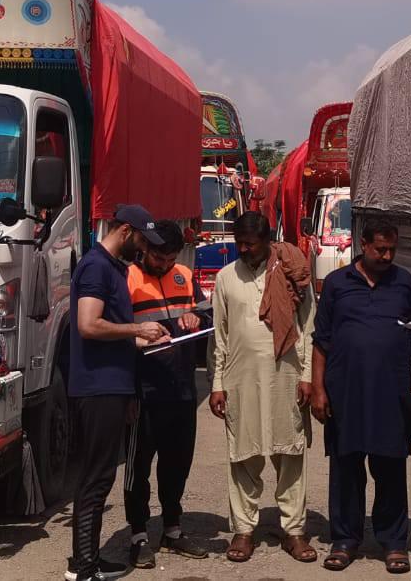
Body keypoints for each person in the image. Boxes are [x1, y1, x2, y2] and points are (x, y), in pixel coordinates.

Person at [66, 205, 171, 581]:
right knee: (95, 478)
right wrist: (137, 330)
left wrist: (146, 340)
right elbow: (88, 324)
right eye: (142, 240)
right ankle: (84, 568)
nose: (144, 249)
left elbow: (110, 333)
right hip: (98, 387)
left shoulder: (114, 268)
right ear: (126, 231)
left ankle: (86, 560)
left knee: (100, 475)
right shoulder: (96, 266)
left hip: (113, 385)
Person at [312, 222, 411, 574]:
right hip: (345, 391)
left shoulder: (403, 282)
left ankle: (393, 542)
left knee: (390, 468)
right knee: (346, 467)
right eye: (380, 250)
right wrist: (318, 389)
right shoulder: (337, 283)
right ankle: (345, 540)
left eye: (391, 250)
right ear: (363, 245)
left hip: (391, 392)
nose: (387, 256)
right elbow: (321, 340)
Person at [209, 212, 320, 564]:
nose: (243, 249)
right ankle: (244, 531)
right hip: (241, 380)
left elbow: (308, 326)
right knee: (243, 456)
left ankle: (294, 531)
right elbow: (220, 336)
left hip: (287, 377)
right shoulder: (226, 277)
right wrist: (217, 384)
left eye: (250, 244)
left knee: (291, 455)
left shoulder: (293, 274)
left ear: (267, 242)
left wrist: (307, 376)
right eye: (239, 243)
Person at [123, 221, 211, 568]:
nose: (164, 264)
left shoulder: (184, 276)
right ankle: (138, 535)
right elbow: (116, 331)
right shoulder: (127, 278)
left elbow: (207, 313)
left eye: (171, 258)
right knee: (138, 466)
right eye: (159, 258)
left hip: (182, 389)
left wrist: (195, 318)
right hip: (144, 390)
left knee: (177, 463)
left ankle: (172, 529)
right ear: (145, 248)